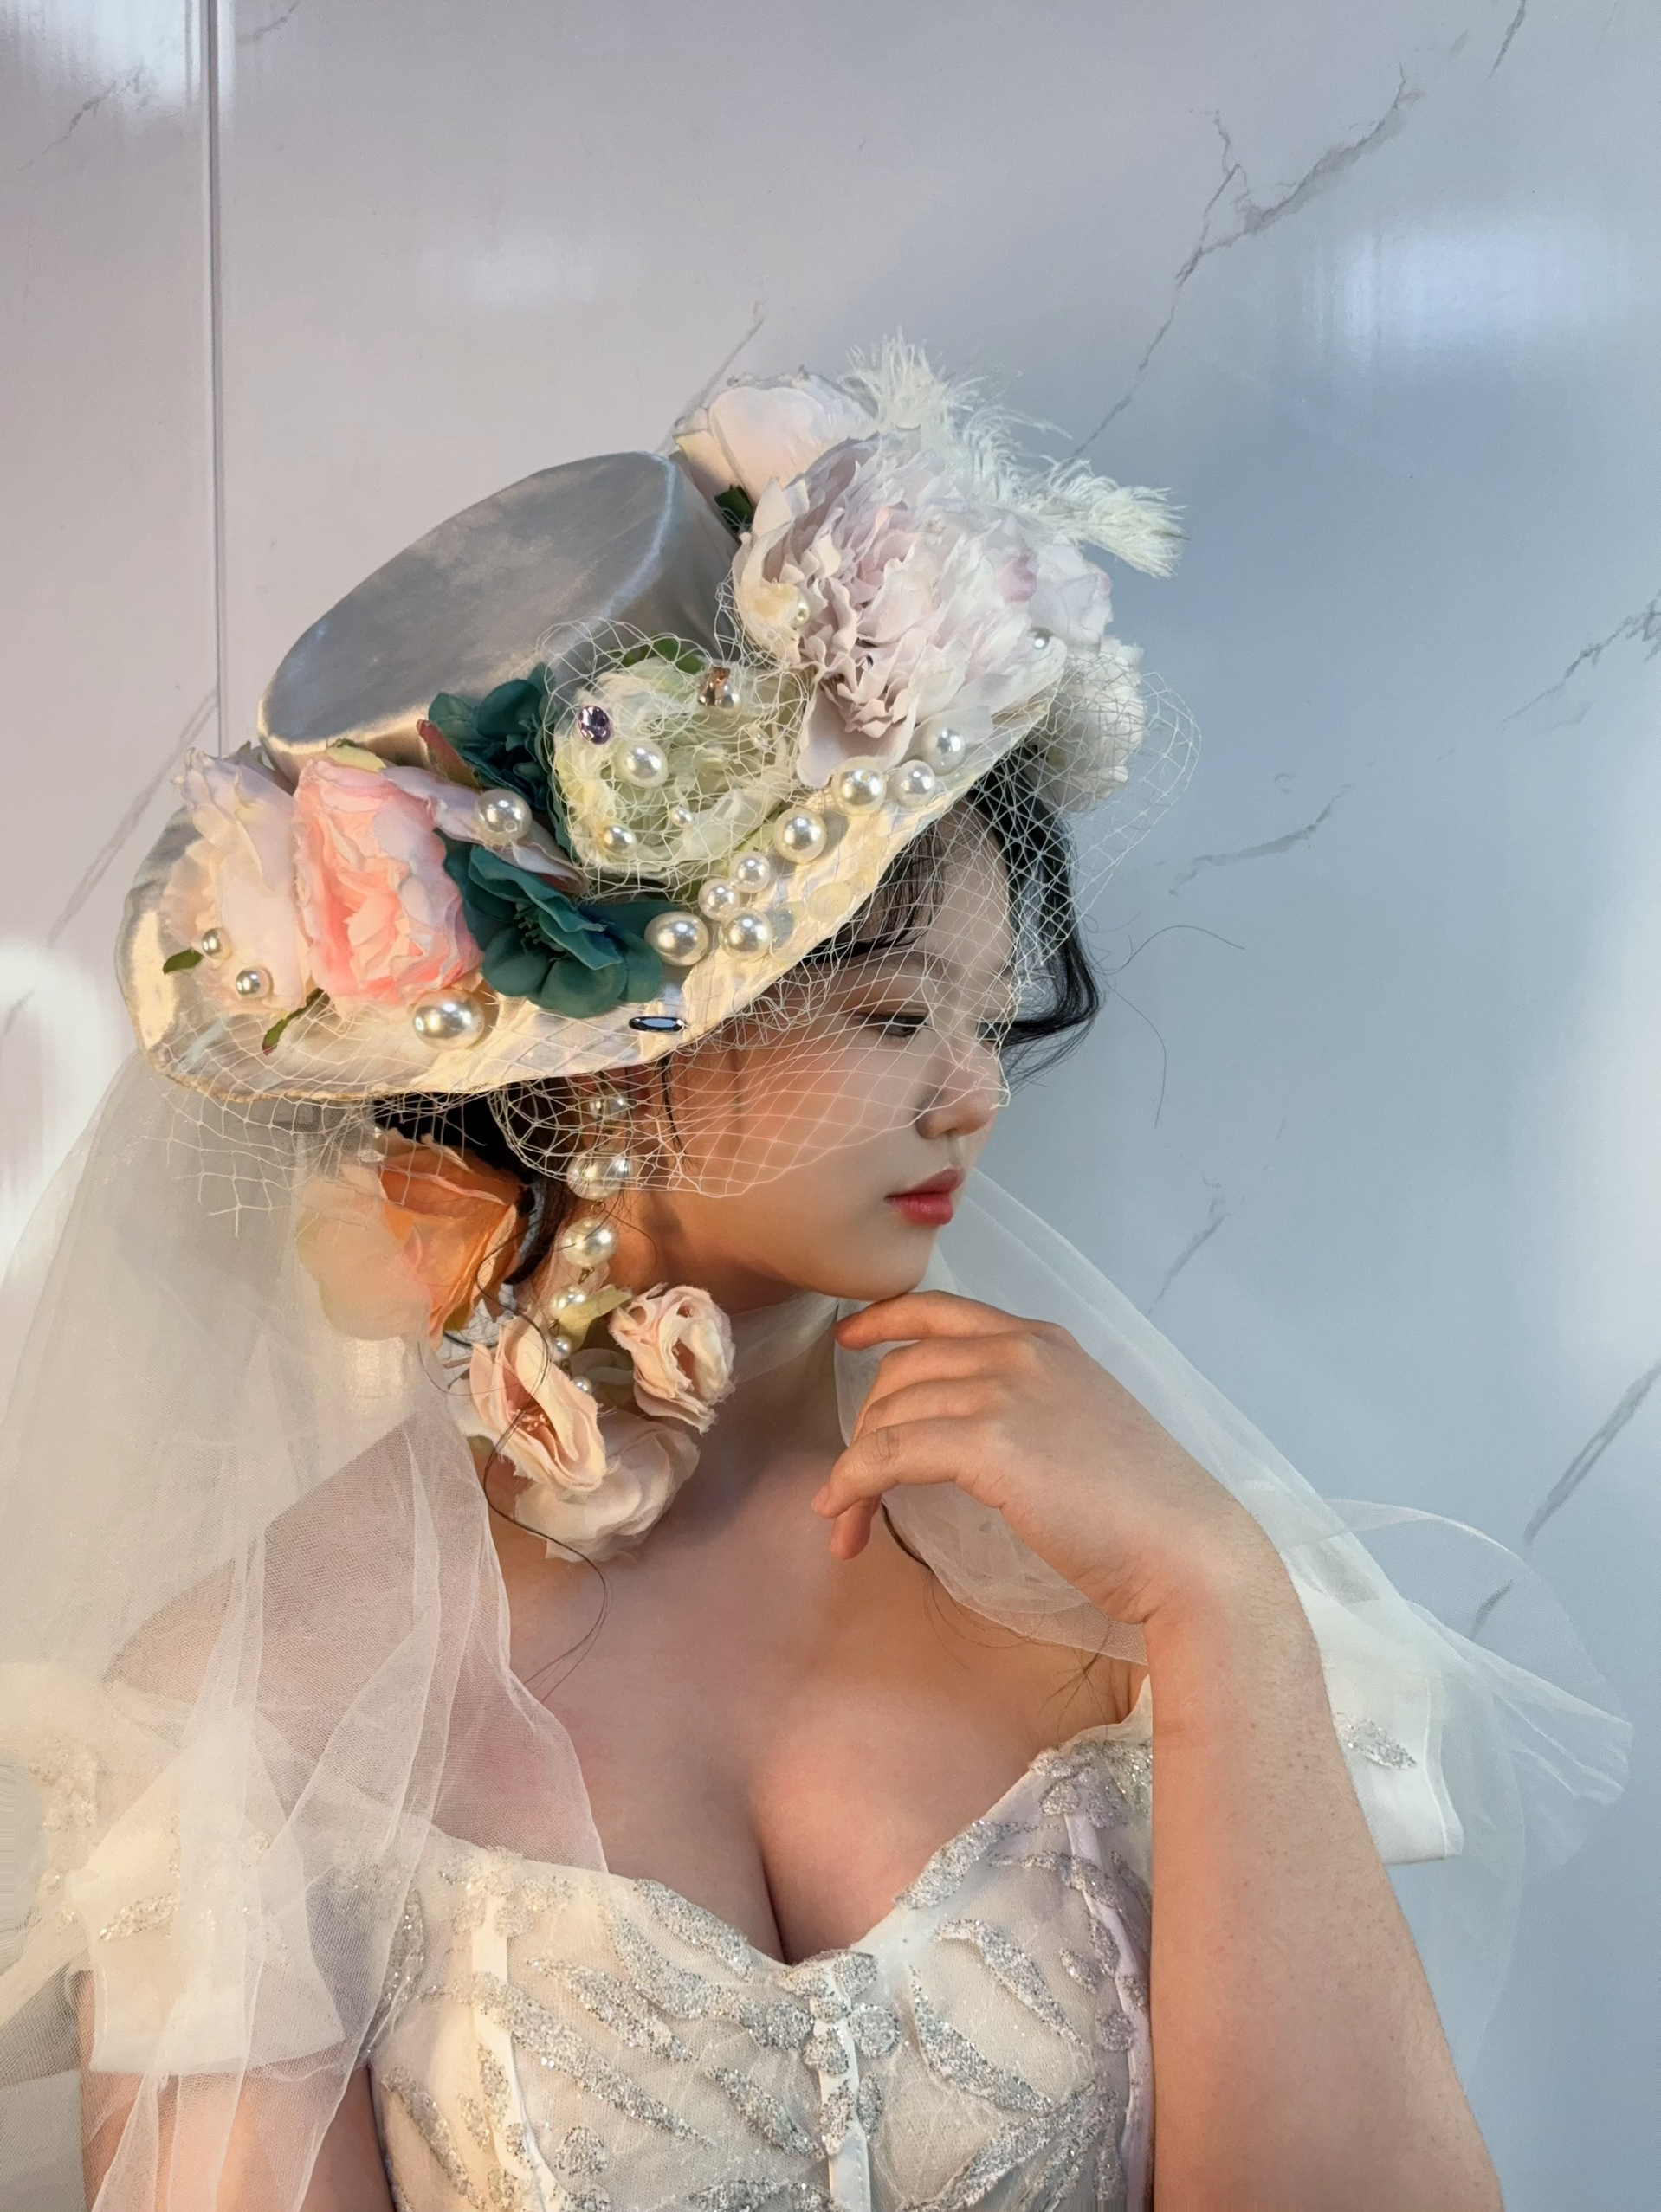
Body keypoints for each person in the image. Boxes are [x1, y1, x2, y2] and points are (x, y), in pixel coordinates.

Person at [0, 347, 1625, 2210]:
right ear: (600, 1062)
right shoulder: (263, 1702)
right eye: (890, 1014)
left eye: (989, 1017)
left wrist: (1217, 1602)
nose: (974, 1092)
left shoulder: (1107, 1569)